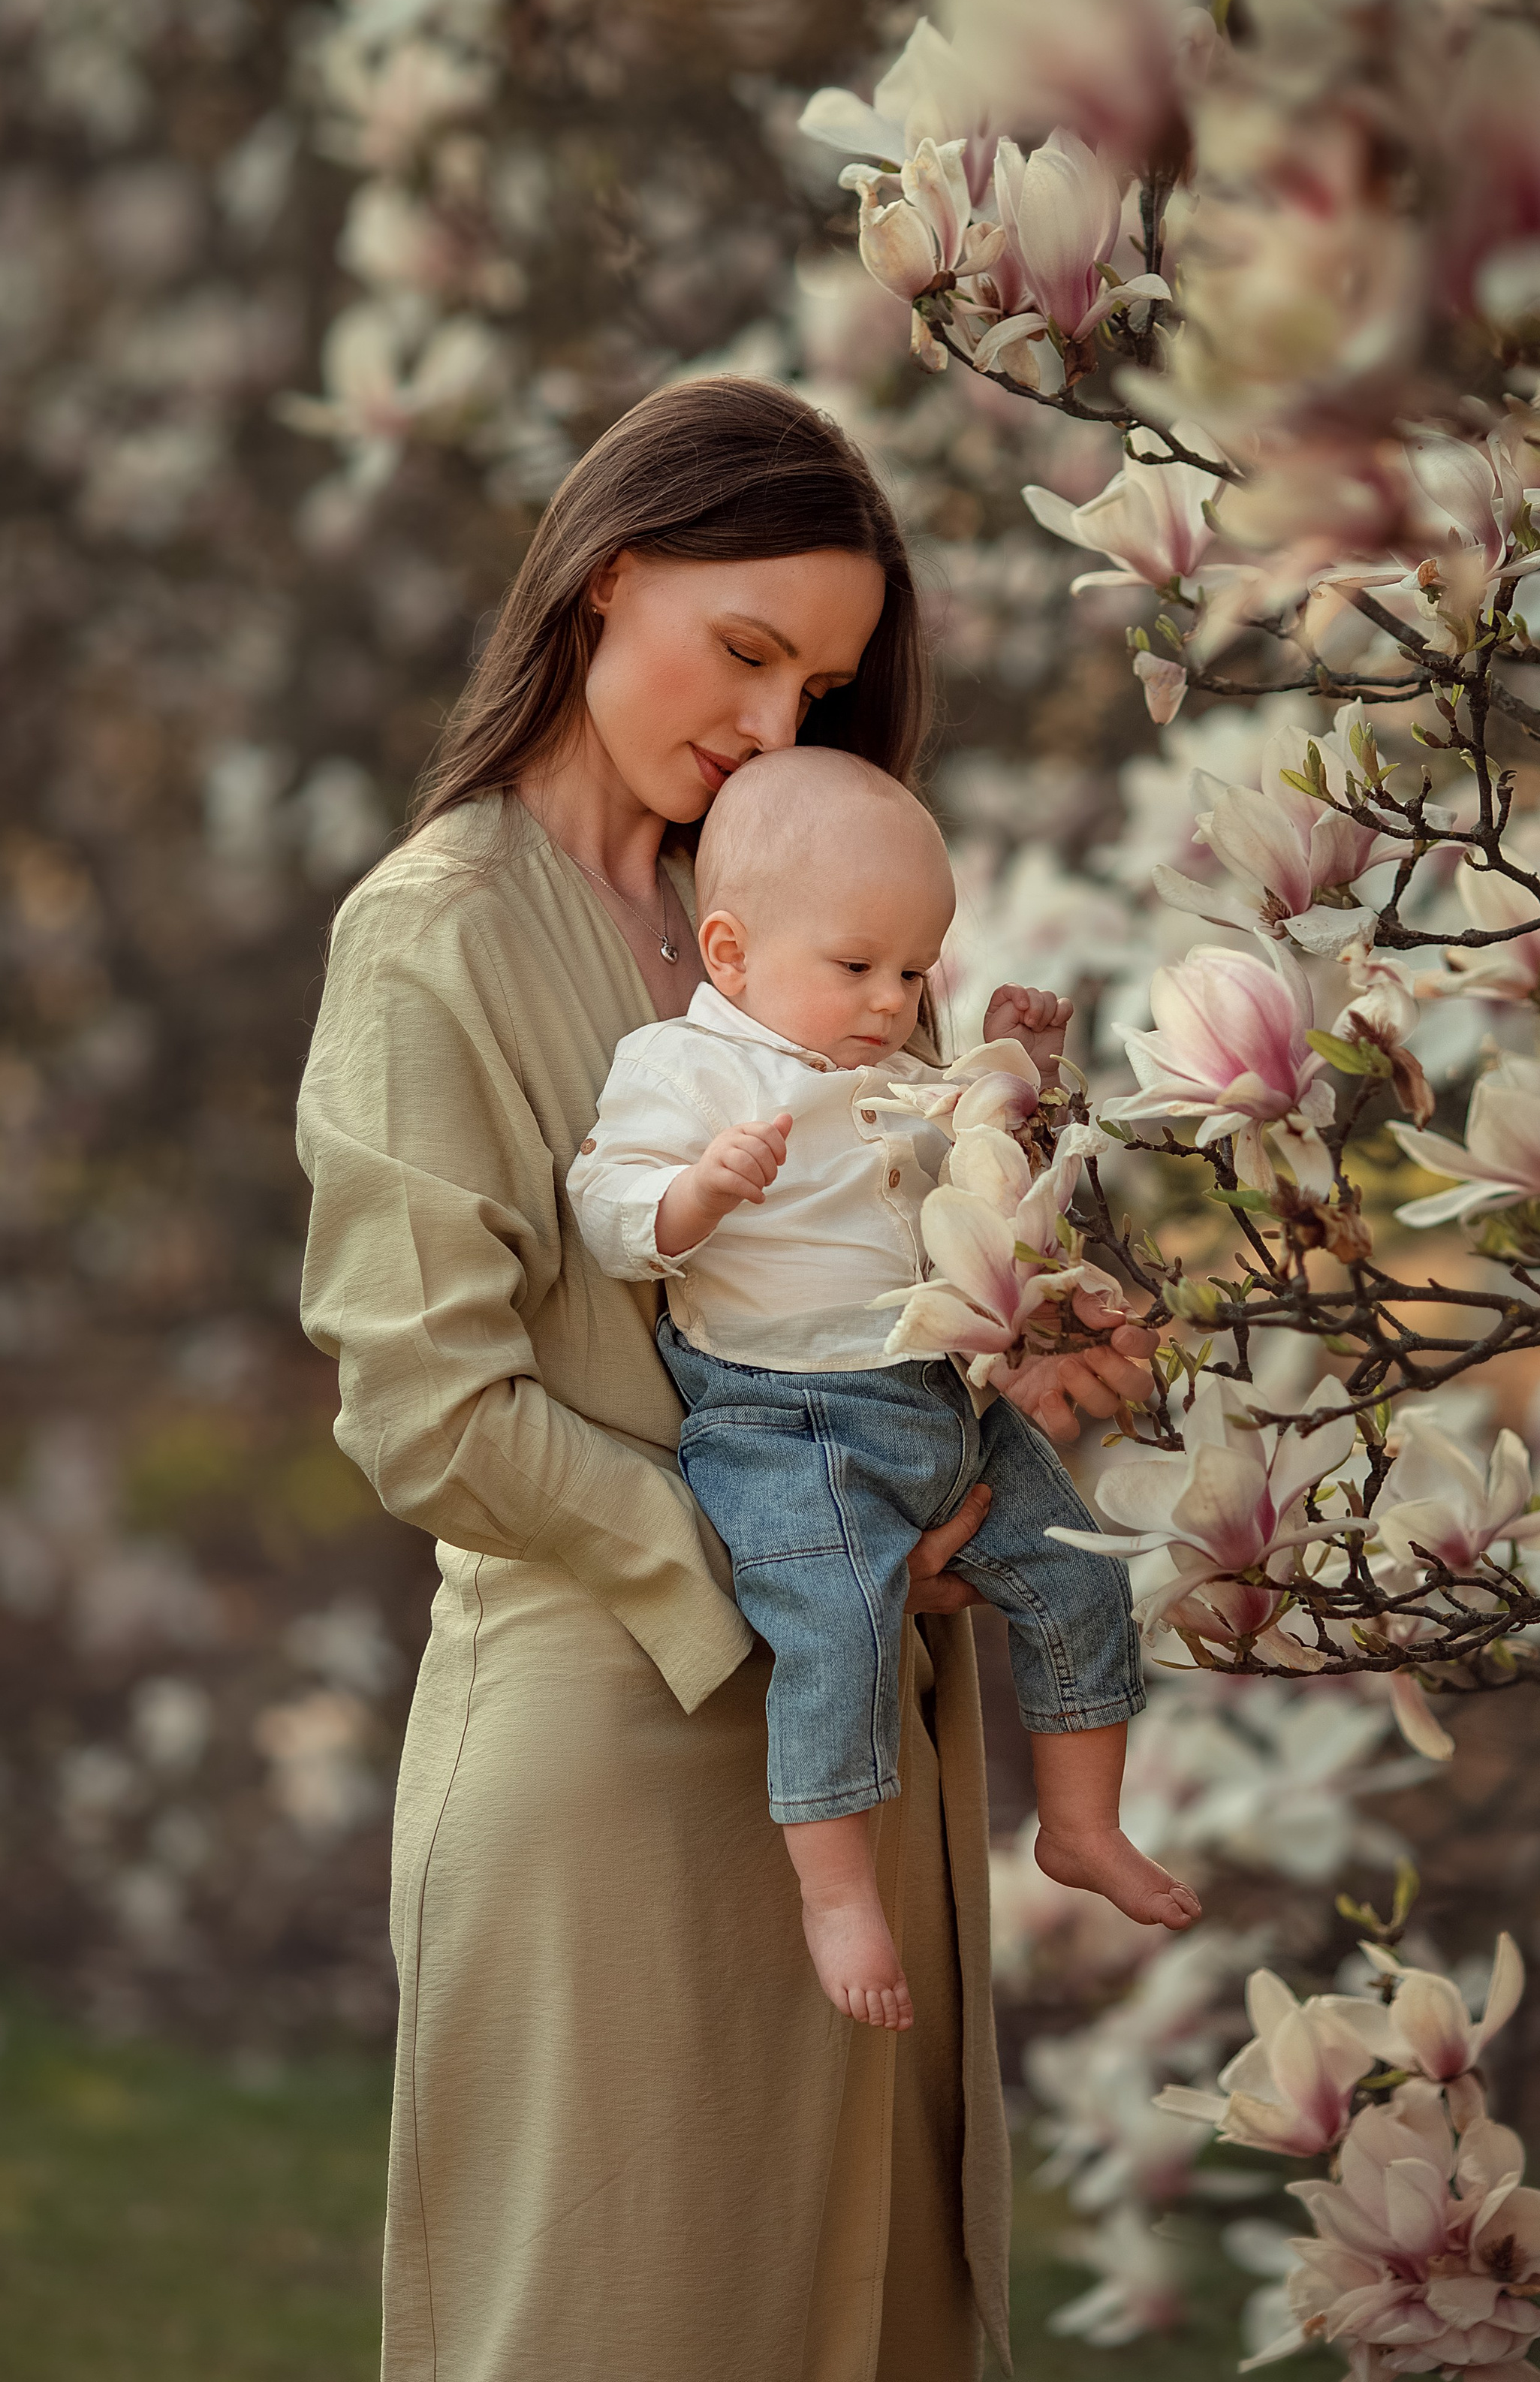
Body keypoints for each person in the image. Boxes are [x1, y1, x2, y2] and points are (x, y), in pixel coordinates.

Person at [295, 375, 1156, 2382]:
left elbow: (889, 1258)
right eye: (746, 652)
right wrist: (786, 1563)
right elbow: (427, 1410)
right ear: (607, 586)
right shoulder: (431, 944)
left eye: (820, 687)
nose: (775, 726)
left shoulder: (805, 919)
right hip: (616, 1754)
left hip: (877, 1750)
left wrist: (1034, 1331)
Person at [568, 747, 1201, 2034]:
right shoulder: (685, 1071)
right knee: (841, 1630)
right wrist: (700, 1195)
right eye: (856, 967)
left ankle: (1082, 1826)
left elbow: (1002, 1187)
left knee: (1080, 1574)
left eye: (915, 971)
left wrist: (1019, 1068)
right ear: (731, 952)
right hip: (780, 1417)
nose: (890, 999)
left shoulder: (903, 1074)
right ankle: (837, 1891)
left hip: (936, 1398)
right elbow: (608, 1206)